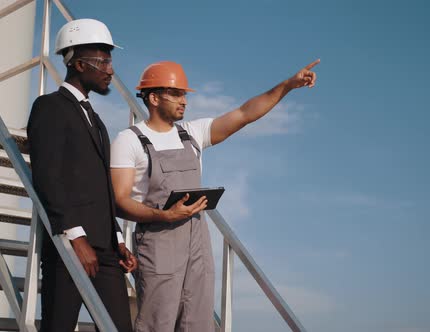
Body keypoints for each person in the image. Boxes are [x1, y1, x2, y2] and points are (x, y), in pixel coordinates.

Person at [110, 59, 319, 331]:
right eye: (176, 93)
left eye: (184, 94)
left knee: (198, 322)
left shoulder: (192, 134)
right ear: (153, 98)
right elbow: (119, 200)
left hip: (197, 241)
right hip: (158, 241)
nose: (183, 100)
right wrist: (165, 214)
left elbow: (245, 113)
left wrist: (288, 85)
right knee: (156, 322)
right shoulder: (129, 140)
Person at [27, 18, 137, 331]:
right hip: (71, 248)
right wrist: (76, 237)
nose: (110, 70)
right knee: (58, 326)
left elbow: (101, 186)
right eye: (103, 61)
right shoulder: (49, 107)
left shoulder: (98, 121)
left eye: (110, 60)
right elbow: (48, 176)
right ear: (78, 63)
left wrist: (117, 238)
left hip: (106, 249)